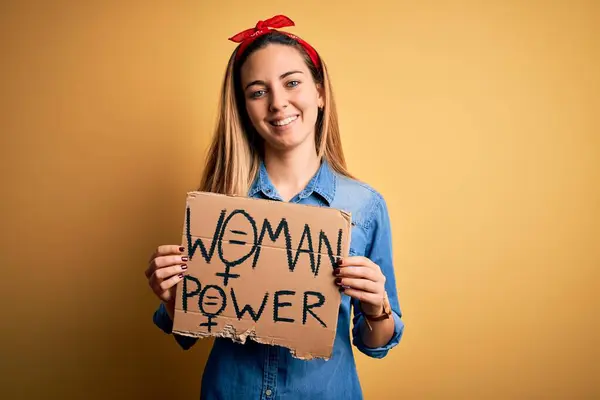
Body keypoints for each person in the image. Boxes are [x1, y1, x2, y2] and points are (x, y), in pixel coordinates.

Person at [145, 15, 404, 400]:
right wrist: (173, 299)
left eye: (292, 82)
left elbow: (375, 343)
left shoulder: (364, 206)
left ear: (319, 92)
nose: (278, 102)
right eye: (257, 91)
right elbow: (188, 334)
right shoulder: (219, 204)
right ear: (244, 108)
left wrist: (376, 307)